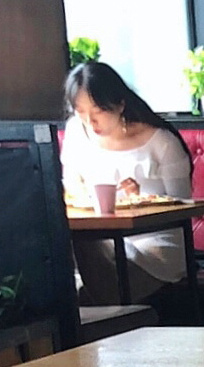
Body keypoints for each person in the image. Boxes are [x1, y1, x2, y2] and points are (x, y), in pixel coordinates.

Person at [60, 61, 194, 304]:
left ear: (120, 104)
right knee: (77, 249)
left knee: (81, 294)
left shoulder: (161, 142)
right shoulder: (76, 133)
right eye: (80, 113)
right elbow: (72, 189)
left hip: (155, 247)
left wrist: (138, 200)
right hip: (101, 244)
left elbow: (183, 208)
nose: (90, 122)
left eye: (98, 111)